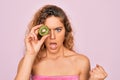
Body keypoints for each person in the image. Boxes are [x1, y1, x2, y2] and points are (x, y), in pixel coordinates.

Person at [15, 5, 107, 80]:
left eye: (58, 30)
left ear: (66, 31)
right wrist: (30, 54)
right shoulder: (29, 61)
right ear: (40, 32)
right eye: (47, 30)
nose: (52, 36)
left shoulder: (81, 62)